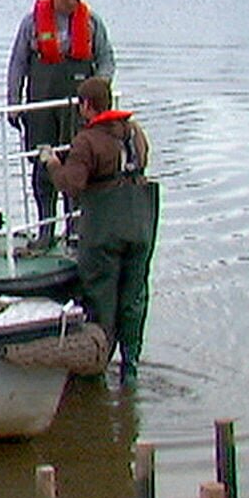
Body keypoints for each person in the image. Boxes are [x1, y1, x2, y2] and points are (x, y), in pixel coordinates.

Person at [41, 76, 155, 384]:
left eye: (81, 105)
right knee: (134, 297)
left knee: (101, 298)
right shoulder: (135, 132)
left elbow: (73, 185)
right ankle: (130, 366)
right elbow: (142, 162)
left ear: (87, 106)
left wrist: (53, 163)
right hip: (141, 224)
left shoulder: (87, 141)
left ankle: (98, 368)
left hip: (105, 230)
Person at [6, 0, 115, 248]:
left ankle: (74, 229)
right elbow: (18, 64)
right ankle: (45, 230)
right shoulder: (31, 23)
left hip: (77, 109)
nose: (72, 3)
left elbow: (106, 61)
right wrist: (14, 105)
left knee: (76, 165)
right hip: (41, 106)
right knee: (43, 167)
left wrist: (99, 91)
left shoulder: (92, 23)